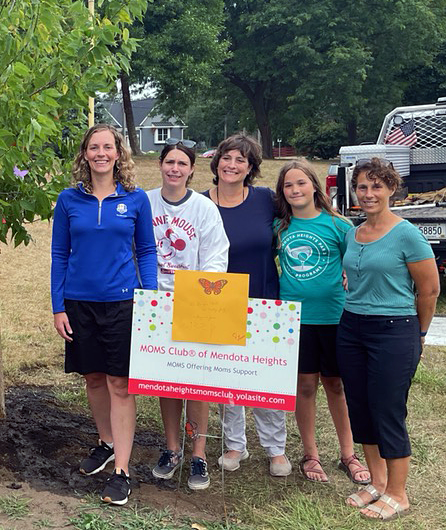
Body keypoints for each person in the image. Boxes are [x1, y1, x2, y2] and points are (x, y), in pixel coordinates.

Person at [50, 123, 158, 506]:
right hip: (79, 304)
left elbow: (145, 250)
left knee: (120, 385)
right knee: (93, 378)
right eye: (93, 147)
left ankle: (122, 471)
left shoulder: (135, 198)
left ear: (118, 153)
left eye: (107, 146)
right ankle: (107, 443)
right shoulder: (68, 200)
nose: (100, 153)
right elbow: (59, 253)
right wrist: (58, 306)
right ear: (84, 154)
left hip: (123, 303)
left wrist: (151, 299)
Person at [338, 158, 438, 520]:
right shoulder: (353, 232)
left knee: (387, 408)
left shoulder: (406, 233)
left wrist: (420, 333)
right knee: (360, 405)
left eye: (376, 186)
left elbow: (429, 290)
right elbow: (354, 275)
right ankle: (377, 482)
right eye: (362, 187)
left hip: (394, 329)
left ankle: (398, 492)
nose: (368, 194)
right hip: (351, 328)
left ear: (391, 189)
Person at [274, 161, 370, 485]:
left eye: (301, 183)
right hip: (295, 319)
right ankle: (310, 454)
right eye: (288, 185)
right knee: (304, 386)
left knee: (336, 385)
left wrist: (349, 276)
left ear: (314, 186)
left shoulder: (337, 225)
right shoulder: (279, 226)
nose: (295, 190)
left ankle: (348, 454)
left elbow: (358, 260)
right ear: (282, 192)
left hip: (334, 316)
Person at [204, 133, 292, 477]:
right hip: (218, 301)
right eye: (227, 157)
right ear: (216, 162)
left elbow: (303, 221)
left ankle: (275, 448)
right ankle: (234, 444)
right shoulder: (200, 203)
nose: (232, 165)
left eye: (242, 160)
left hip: (263, 297)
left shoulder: (266, 200)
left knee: (264, 373)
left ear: (251, 168)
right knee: (229, 376)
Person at [147, 140, 229, 490]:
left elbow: (215, 253)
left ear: (192, 169)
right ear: (161, 165)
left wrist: (200, 292)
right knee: (167, 382)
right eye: (169, 162)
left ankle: (198, 454)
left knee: (196, 383)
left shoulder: (204, 208)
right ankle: (171, 448)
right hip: (155, 302)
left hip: (194, 302)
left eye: (182, 163)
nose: (175, 168)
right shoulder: (145, 202)